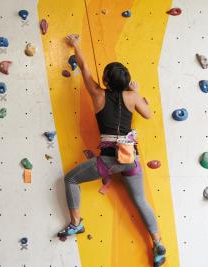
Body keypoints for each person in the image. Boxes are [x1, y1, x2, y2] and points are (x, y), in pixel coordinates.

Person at [58, 34, 166, 266]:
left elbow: (85, 68)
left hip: (108, 161)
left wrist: (76, 44)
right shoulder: (132, 95)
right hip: (131, 159)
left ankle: (77, 223)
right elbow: (148, 114)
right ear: (125, 82)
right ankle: (157, 243)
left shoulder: (98, 95)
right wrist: (134, 91)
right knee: (140, 201)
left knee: (70, 180)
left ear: (106, 80)